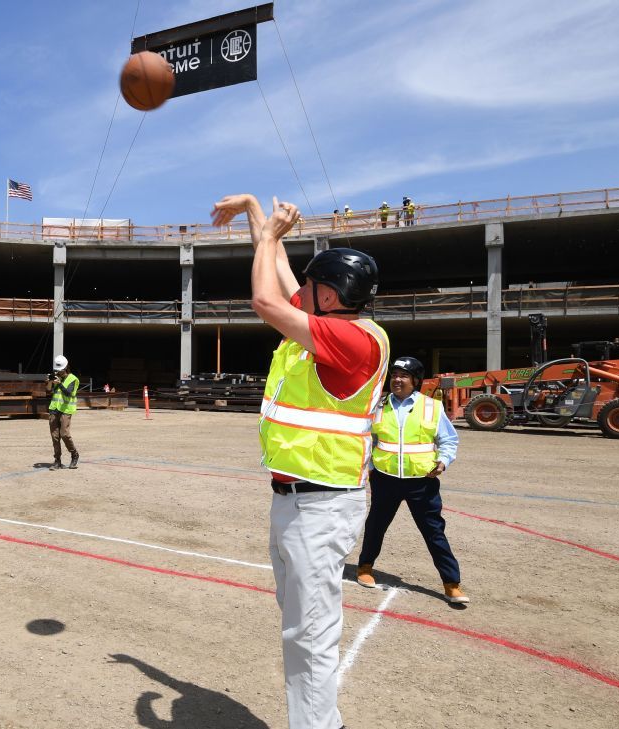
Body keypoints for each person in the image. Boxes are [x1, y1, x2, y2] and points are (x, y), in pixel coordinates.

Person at [211, 193, 388, 729]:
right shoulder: (328, 321)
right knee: (301, 628)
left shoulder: (351, 340)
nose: (299, 290)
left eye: (311, 287)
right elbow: (282, 273)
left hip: (322, 507)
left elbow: (265, 300)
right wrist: (254, 216)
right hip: (296, 502)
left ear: (329, 296)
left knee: (310, 637)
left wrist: (267, 238)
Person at [355, 356, 468, 604]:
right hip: (386, 480)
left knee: (434, 531)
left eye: (403, 376)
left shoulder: (431, 407)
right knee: (376, 525)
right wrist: (371, 467)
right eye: (394, 375)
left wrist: (444, 461)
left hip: (422, 480)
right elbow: (366, 438)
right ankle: (364, 567)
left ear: (415, 381)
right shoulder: (379, 405)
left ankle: (452, 584)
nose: (397, 380)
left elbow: (449, 439)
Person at [47, 355, 80, 470]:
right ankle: (57, 461)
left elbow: (68, 393)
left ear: (65, 367)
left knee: (65, 434)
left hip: (66, 410)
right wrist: (50, 382)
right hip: (54, 409)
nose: (58, 372)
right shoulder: (56, 377)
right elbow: (48, 391)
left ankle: (74, 454)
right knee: (55, 436)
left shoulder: (73, 379)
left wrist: (59, 383)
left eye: (59, 370)